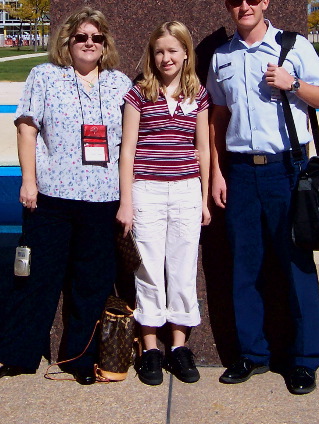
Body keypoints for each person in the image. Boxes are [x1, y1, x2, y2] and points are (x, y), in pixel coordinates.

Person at [0, 6, 132, 386]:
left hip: (102, 197)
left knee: (91, 283)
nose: (89, 43)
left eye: (97, 37)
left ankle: (79, 357)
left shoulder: (120, 83)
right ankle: (12, 355)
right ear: (67, 41)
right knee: (34, 278)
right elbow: (27, 129)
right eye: (81, 37)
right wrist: (29, 181)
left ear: (105, 43)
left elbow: (130, 143)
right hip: (52, 197)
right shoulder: (44, 76)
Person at [207, 0, 319, 395]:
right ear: (229, 6)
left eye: (251, 0)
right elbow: (218, 118)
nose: (243, 8)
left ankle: (304, 360)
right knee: (244, 267)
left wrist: (293, 83)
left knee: (297, 267)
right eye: (235, 2)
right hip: (242, 171)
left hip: (289, 170)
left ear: (265, 2)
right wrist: (217, 172)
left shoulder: (292, 46)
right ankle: (252, 353)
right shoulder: (222, 57)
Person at [116, 21, 211, 386]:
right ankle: (151, 346)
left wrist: (203, 200)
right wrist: (126, 202)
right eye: (159, 51)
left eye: (173, 50)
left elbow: (202, 149)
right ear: (151, 55)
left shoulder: (198, 94)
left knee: (183, 269)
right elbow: (127, 151)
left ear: (186, 52)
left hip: (186, 191)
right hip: (147, 191)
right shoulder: (140, 92)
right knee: (149, 270)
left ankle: (179, 347)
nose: (166, 57)